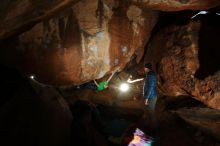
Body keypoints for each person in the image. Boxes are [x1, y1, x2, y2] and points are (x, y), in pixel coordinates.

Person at [143, 63, 157, 129]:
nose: (144, 69)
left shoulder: (151, 75)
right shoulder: (149, 74)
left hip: (151, 97)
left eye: (144, 67)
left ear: (147, 68)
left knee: (151, 112)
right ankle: (149, 126)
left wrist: (146, 98)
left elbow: (151, 87)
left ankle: (154, 128)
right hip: (151, 96)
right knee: (149, 111)